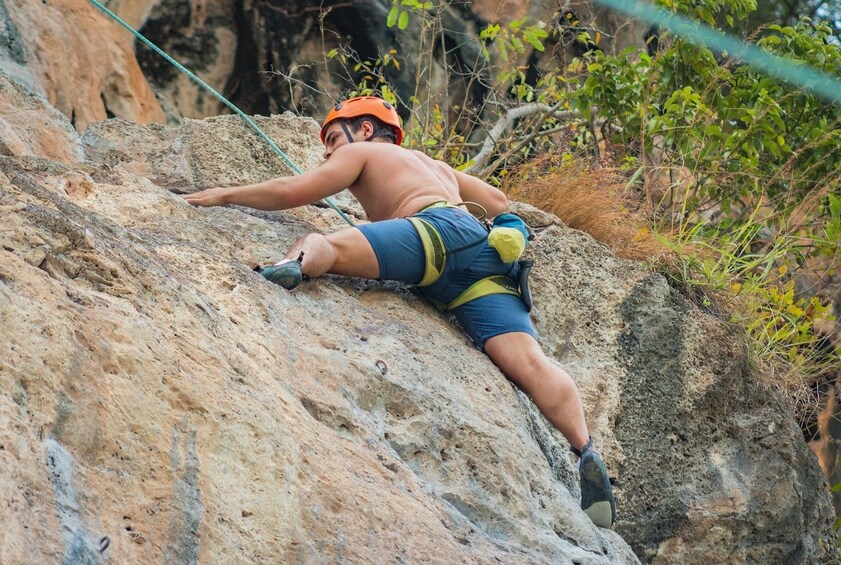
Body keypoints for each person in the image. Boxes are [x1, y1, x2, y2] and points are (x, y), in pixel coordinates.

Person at [183, 96, 616, 528]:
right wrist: (511, 228)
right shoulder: (435, 166)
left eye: (333, 138)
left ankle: (294, 265)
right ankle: (584, 447)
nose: (329, 151)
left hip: (433, 236)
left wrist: (224, 194)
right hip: (482, 258)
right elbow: (498, 199)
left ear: (365, 130)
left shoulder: (361, 152)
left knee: (328, 243)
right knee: (531, 363)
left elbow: (294, 191)